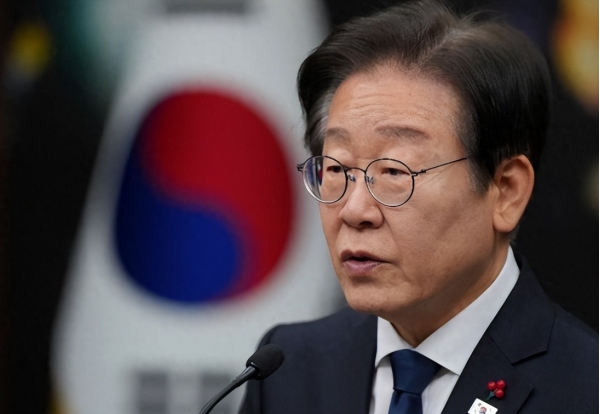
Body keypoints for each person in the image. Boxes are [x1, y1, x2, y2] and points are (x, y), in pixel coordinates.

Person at [238, 1, 598, 413]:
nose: (355, 211)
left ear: (506, 190)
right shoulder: (287, 369)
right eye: (336, 169)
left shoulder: (586, 387)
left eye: (395, 172)